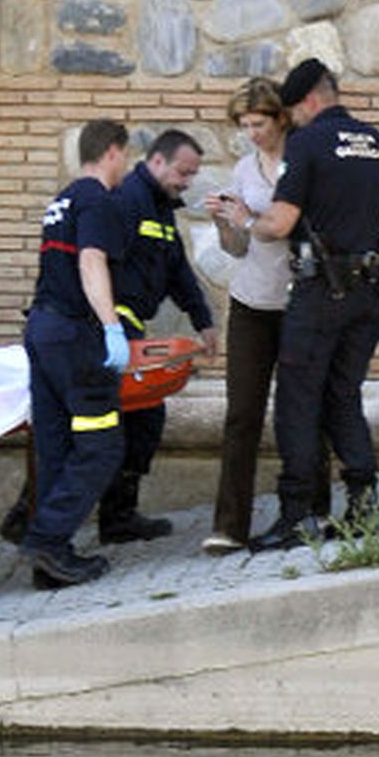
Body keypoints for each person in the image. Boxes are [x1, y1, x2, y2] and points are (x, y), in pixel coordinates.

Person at [246, 60, 379, 552]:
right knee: (343, 397)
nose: (294, 118)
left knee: (297, 401)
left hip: (320, 292)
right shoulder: (376, 142)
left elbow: (282, 221)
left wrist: (249, 220)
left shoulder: (307, 143)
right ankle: (363, 505)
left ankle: (299, 517)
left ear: (310, 99)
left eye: (293, 108)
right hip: (368, 294)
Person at [202, 79, 326, 555]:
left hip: (300, 301)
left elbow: (288, 228)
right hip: (253, 302)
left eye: (258, 123)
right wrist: (226, 221)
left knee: (303, 410)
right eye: (245, 126)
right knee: (242, 414)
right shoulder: (243, 167)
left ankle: (312, 511)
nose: (252, 133)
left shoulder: (306, 157)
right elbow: (239, 247)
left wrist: (255, 218)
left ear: (281, 119)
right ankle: (229, 525)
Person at [17, 119, 132, 588]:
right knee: (101, 445)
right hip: (73, 337)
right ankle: (46, 538)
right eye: (125, 155)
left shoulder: (61, 200)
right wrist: (111, 327)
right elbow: (91, 261)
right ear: (111, 152)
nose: (126, 164)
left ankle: (51, 555)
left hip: (43, 331)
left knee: (56, 446)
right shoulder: (96, 200)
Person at [95, 129, 217, 543]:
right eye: (183, 172)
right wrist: (110, 327)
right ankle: (110, 516)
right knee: (131, 417)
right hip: (111, 326)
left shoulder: (161, 209)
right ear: (157, 161)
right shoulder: (126, 201)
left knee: (143, 416)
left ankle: (118, 515)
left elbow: (178, 271)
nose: (187, 181)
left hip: (130, 326)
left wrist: (203, 319)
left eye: (192, 175)